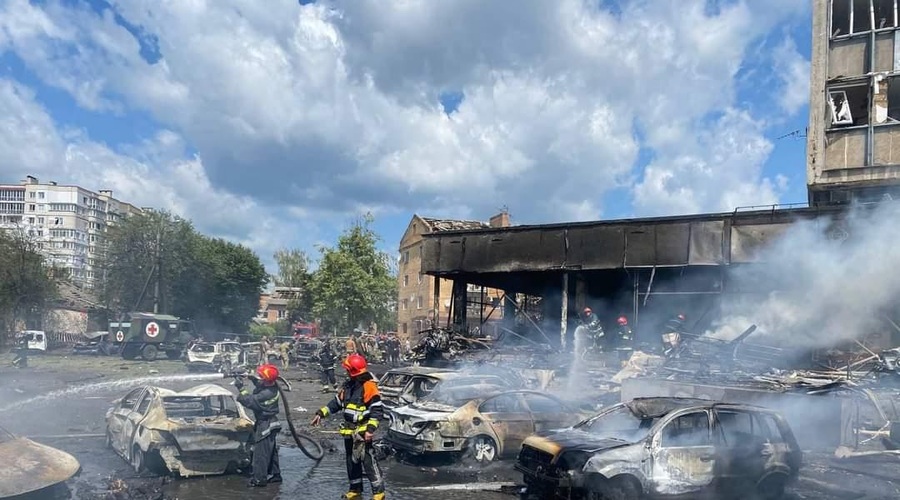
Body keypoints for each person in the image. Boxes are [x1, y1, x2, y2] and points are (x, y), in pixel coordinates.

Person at [311, 354, 385, 500]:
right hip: (349, 431)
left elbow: (377, 411)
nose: (345, 372)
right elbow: (337, 403)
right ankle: (355, 489)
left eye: (347, 370)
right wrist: (321, 413)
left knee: (368, 461)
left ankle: (379, 492)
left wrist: (370, 430)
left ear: (353, 371)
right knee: (352, 461)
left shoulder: (369, 386)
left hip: (362, 432)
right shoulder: (349, 385)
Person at [235, 363, 282, 487]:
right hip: (272, 422)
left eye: (261, 376)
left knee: (261, 453)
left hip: (265, 424)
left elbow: (248, 401)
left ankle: (259, 479)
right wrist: (250, 377)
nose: (259, 377)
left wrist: (241, 388)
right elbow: (260, 383)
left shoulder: (266, 394)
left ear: (266, 379)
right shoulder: (272, 386)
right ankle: (275, 475)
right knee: (271, 451)